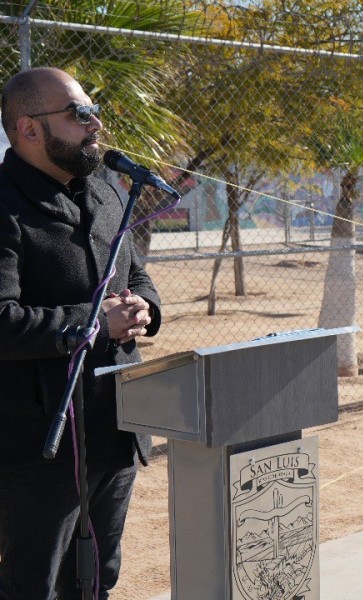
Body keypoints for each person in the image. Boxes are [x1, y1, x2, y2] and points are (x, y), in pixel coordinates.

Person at [0, 67, 161, 599]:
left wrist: (144, 309)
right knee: (34, 584)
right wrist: (91, 323)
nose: (94, 124)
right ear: (28, 129)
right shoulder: (5, 206)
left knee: (98, 577)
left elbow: (134, 274)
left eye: (92, 111)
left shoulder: (107, 189)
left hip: (116, 428)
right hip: (37, 443)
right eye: (77, 114)